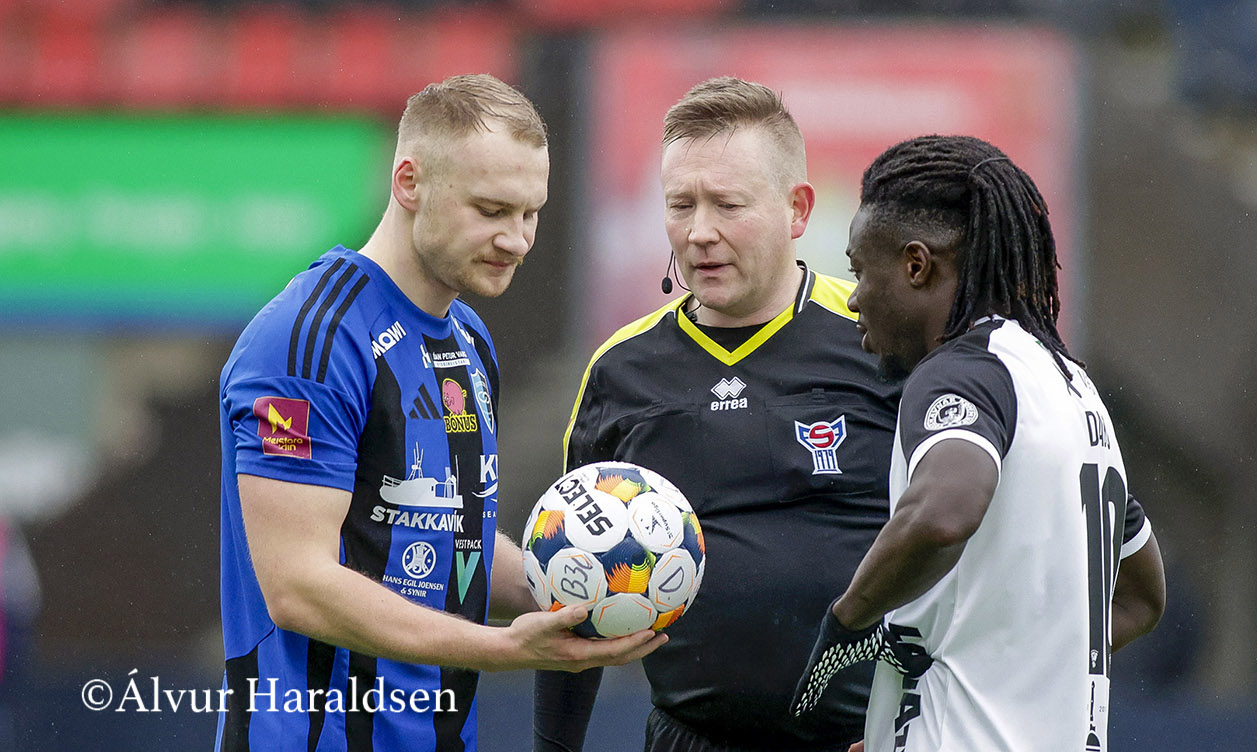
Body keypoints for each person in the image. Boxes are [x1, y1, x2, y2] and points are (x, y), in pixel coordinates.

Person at [216, 73, 665, 752]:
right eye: (491, 210)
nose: (517, 239)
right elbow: (297, 587)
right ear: (409, 182)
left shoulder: (469, 340)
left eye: (530, 213)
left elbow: (455, 536)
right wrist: (503, 649)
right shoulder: (308, 340)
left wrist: (595, 583)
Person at [534, 77, 902, 751]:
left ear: (798, 209)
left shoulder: (882, 340)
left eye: (728, 204)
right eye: (681, 205)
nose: (700, 232)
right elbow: (571, 581)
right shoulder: (620, 371)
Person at [790, 135, 1166, 751]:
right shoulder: (1069, 385)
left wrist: (847, 620)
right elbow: (1141, 596)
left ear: (916, 265)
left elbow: (944, 513)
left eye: (860, 271)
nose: (854, 298)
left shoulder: (960, 372)